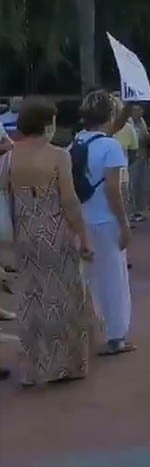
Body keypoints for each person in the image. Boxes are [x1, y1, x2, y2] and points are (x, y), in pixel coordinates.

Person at [3, 98, 94, 385]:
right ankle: (66, 363)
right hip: (56, 233)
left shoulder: (7, 159)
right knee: (63, 298)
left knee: (31, 299)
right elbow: (70, 201)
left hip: (24, 234)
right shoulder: (57, 156)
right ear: (47, 124)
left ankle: (34, 366)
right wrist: (84, 236)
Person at [74, 91, 136, 356]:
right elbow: (113, 189)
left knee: (91, 279)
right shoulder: (110, 147)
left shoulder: (76, 142)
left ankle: (91, 327)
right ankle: (116, 335)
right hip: (106, 219)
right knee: (115, 278)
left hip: (84, 217)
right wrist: (124, 223)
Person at [126, 103, 150, 223]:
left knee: (142, 184)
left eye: (140, 110)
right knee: (132, 184)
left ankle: (140, 210)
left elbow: (146, 137)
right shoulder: (128, 123)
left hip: (143, 156)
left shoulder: (142, 122)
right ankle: (131, 210)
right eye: (135, 110)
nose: (138, 113)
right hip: (132, 157)